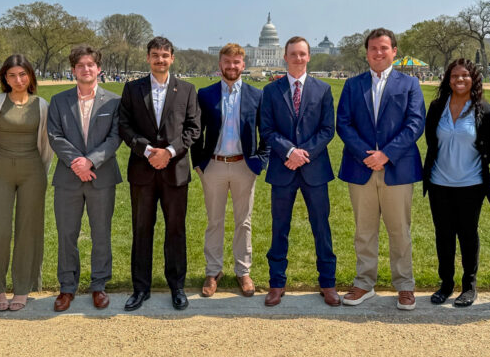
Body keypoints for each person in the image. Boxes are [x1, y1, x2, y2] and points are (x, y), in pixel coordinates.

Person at [336, 28, 425, 310]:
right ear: (367, 53)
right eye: (373, 48)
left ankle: (404, 285)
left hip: (397, 169)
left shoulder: (409, 84)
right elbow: (344, 124)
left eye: (384, 48)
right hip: (361, 167)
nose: (378, 53)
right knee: (364, 230)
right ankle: (364, 282)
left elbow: (415, 123)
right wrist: (369, 155)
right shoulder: (353, 85)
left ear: (394, 52)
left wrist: (386, 154)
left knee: (399, 230)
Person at [118, 37, 201, 311]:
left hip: (174, 171)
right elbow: (124, 125)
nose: (160, 60)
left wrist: (170, 152)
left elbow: (193, 128)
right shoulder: (132, 89)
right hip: (142, 170)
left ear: (172, 58)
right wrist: (146, 150)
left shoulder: (187, 90)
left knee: (175, 230)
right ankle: (140, 288)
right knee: (142, 230)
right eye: (155, 55)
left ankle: (177, 286)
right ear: (147, 58)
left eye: (165, 55)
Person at [260, 36, 339, 307]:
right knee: (279, 228)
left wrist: (303, 153)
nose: (298, 58)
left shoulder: (323, 89)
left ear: (309, 57)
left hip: (314, 169)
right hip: (283, 169)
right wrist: (289, 152)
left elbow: (328, 129)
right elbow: (267, 130)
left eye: (303, 54)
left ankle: (328, 283)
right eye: (293, 54)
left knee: (321, 227)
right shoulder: (271, 92)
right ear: (285, 56)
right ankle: (276, 283)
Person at [0, 55, 53, 311]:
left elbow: (46, 145)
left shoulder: (42, 105)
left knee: (28, 231)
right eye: (12, 75)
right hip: (0, 171)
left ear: (30, 75)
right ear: (4, 78)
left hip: (32, 171)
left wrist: (40, 171)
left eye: (22, 74)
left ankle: (22, 288)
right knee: (1, 231)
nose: (18, 80)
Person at [47, 45, 122, 312]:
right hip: (68, 179)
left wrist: (91, 161)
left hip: (101, 177)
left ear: (98, 69)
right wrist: (77, 163)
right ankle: (67, 288)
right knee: (67, 234)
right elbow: (55, 136)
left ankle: (98, 285)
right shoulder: (58, 101)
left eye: (90, 64)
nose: (86, 69)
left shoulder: (113, 101)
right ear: (73, 70)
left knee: (101, 233)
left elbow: (115, 138)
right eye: (80, 65)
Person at [191, 43, 268, 298]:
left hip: (244, 166)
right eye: (227, 62)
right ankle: (213, 271)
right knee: (214, 221)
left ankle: (243, 271)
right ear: (220, 64)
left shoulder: (257, 96)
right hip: (213, 164)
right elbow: (195, 132)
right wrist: (199, 164)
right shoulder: (206, 94)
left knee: (243, 221)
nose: (232, 66)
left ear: (243, 65)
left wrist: (259, 162)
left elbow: (265, 132)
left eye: (236, 62)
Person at [422, 59, 490, 307]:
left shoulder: (486, 111)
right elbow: (431, 140)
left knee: (468, 235)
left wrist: (480, 158)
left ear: (473, 79)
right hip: (439, 183)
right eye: (455, 76)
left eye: (465, 75)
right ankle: (445, 284)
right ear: (448, 79)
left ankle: (469, 286)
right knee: (443, 235)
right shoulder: (436, 107)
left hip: (471, 184)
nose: (460, 80)